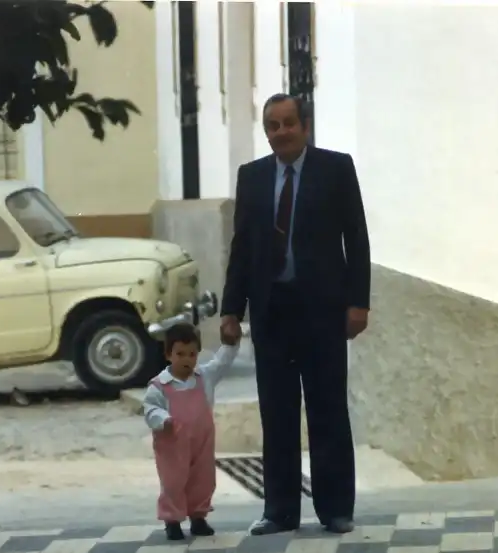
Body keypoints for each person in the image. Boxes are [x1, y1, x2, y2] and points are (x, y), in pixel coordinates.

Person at [220, 93, 371, 535]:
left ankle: (335, 509)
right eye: (273, 125)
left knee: (327, 411)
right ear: (266, 131)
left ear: (305, 126)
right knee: (278, 414)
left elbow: (356, 238)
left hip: (322, 312)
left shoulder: (335, 169)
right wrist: (232, 309)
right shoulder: (252, 177)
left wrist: (358, 302)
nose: (281, 132)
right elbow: (242, 249)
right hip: (273, 314)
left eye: (288, 123)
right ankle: (280, 511)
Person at [143, 323, 240, 541]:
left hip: (202, 441)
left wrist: (231, 344)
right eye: (180, 354)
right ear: (168, 354)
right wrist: (163, 420)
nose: (187, 359)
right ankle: (172, 520)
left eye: (192, 354)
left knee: (203, 478)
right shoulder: (159, 386)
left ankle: (198, 517)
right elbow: (150, 409)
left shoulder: (204, 377)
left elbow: (222, 363)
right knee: (174, 481)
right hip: (172, 444)